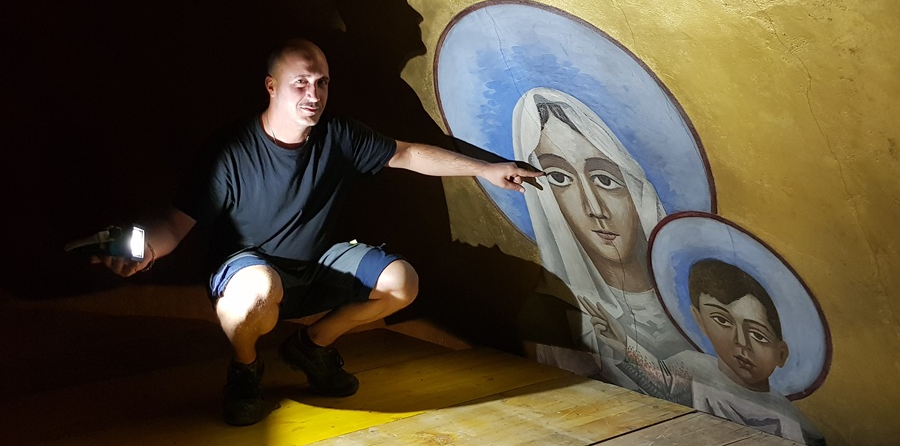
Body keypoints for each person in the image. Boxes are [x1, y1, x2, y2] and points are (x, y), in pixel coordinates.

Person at [87, 38, 542, 426]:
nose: (313, 94)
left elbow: (406, 154)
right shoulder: (230, 151)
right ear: (271, 87)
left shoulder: (337, 133)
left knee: (402, 283)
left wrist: (486, 169)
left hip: (315, 263)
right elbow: (174, 225)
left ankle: (311, 347)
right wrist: (144, 251)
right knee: (260, 288)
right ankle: (245, 369)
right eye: (300, 83)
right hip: (249, 271)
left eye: (321, 82)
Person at [511, 87, 691, 389]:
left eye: (605, 180)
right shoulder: (550, 316)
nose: (593, 209)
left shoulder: (696, 298)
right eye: (559, 178)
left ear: (636, 187)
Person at [583, 258, 825, 445]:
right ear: (700, 321)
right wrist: (624, 344)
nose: (741, 342)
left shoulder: (798, 425)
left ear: (781, 353)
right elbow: (659, 379)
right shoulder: (692, 369)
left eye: (758, 335)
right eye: (722, 321)